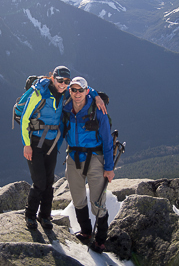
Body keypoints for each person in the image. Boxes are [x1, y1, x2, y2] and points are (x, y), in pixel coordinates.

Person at [20, 66, 106, 230]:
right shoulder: (39, 93)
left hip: (52, 144)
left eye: (67, 82)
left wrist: (96, 97)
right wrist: (27, 145)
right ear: (53, 77)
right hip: (36, 142)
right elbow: (25, 119)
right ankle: (30, 215)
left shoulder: (66, 93)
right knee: (39, 181)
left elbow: (83, 89)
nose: (63, 84)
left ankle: (44, 216)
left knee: (49, 181)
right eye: (60, 81)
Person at [58, 76, 114, 253]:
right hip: (73, 157)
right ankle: (86, 232)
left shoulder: (97, 109)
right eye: (73, 90)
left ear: (87, 91)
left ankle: (100, 239)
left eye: (80, 90)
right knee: (77, 198)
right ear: (70, 91)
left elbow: (107, 139)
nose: (76, 94)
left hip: (95, 158)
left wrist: (109, 167)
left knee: (97, 202)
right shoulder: (65, 108)